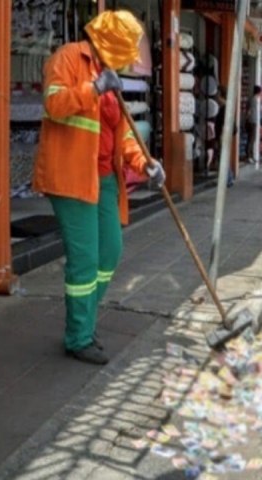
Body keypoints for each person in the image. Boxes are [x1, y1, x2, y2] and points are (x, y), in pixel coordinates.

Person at [33, 10, 165, 365]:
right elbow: (54, 105)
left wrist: (146, 163)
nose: (129, 58)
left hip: (106, 179)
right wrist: (93, 88)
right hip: (72, 177)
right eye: (126, 49)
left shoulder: (111, 79)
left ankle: (86, 322)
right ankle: (78, 335)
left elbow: (123, 135)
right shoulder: (69, 58)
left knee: (110, 251)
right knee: (85, 259)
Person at [214, 85, 236, 187]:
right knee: (224, 157)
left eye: (217, 96)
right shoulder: (226, 108)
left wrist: (222, 137)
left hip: (224, 136)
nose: (216, 99)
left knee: (223, 157)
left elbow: (224, 124)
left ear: (221, 96)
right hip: (225, 136)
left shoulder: (225, 109)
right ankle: (228, 178)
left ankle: (228, 179)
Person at [246, 85, 262, 164]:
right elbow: (250, 111)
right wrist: (248, 120)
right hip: (252, 121)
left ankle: (251, 155)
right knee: (251, 139)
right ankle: (249, 156)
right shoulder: (254, 100)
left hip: (252, 121)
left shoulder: (253, 99)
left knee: (252, 139)